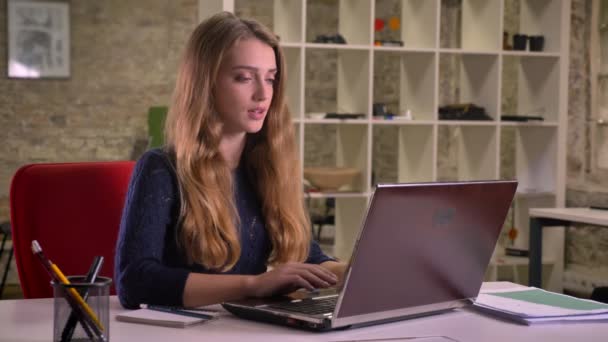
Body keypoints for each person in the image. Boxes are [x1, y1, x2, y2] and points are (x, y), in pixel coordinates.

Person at [114, 11, 346, 309]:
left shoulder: (269, 169)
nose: (263, 94)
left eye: (271, 79)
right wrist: (254, 285)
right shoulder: (161, 168)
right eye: (244, 78)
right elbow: (135, 282)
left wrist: (356, 271)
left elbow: (308, 259)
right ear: (205, 83)